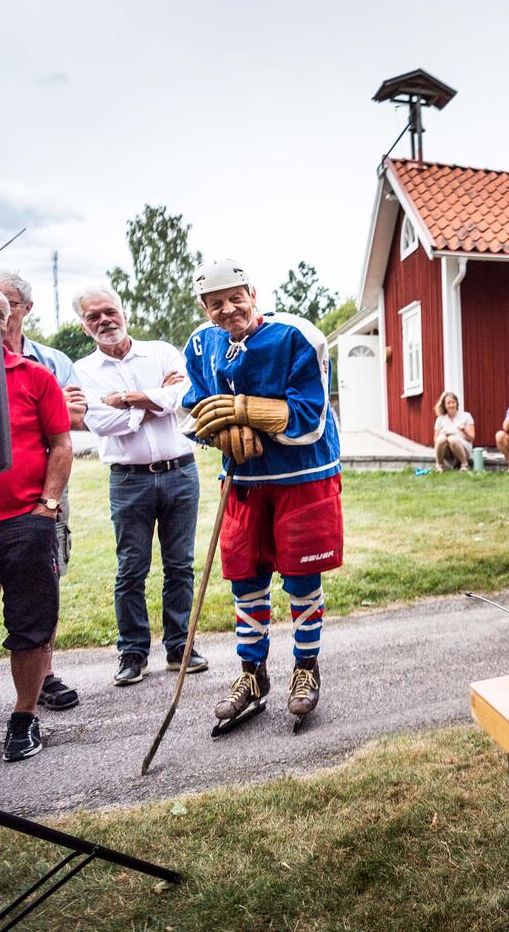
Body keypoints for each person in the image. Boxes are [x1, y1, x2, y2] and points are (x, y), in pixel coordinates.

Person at [183, 259, 342, 731]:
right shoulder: (200, 343)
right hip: (244, 480)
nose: (228, 309)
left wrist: (243, 409)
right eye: (216, 303)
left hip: (302, 475)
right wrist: (215, 434)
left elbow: (310, 417)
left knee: (301, 578)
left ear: (254, 293)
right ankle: (252, 676)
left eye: (236, 297)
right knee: (245, 579)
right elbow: (193, 405)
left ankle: (306, 670)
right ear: (205, 308)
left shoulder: (299, 336)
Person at [72, 286, 207, 686]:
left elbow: (183, 397)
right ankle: (132, 652)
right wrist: (151, 402)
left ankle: (180, 646)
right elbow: (98, 422)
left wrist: (125, 399)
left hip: (181, 472)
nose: (104, 321)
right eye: (93, 317)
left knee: (180, 564)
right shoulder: (82, 371)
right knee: (131, 567)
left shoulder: (162, 352)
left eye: (109, 311)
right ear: (84, 327)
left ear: (124, 313)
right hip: (129, 479)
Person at [0, 271, 84, 740]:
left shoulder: (36, 375)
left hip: (26, 520)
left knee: (31, 626)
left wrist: (47, 505)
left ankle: (23, 719)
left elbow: (61, 445)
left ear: (4, 322)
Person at [433, 391, 475, 471]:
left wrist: (464, 430)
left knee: (452, 439)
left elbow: (471, 438)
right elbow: (435, 440)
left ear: (457, 403)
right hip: (446, 449)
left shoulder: (466, 416)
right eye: (448, 403)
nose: (451, 405)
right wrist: (442, 435)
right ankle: (439, 465)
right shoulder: (440, 419)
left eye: (453, 402)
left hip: (463, 447)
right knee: (442, 438)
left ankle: (464, 464)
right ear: (445, 405)